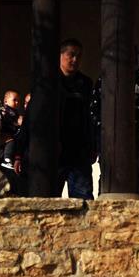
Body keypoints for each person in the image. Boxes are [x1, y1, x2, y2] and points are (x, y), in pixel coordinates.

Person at [58, 38, 95, 199]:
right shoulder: (49, 81)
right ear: (61, 55)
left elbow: (90, 117)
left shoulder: (85, 83)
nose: (75, 60)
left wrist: (93, 145)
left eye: (79, 56)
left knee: (83, 198)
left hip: (79, 150)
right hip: (55, 149)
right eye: (71, 55)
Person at [0, 89, 21, 171]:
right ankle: (7, 159)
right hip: (5, 135)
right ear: (5, 101)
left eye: (18, 101)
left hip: (12, 134)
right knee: (10, 143)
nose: (17, 102)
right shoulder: (5, 111)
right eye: (14, 100)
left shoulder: (15, 112)